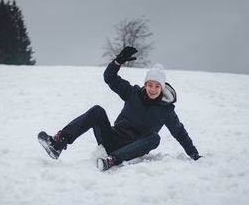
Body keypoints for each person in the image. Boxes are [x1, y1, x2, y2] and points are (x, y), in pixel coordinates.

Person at [38, 46, 202, 171]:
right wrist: (118, 62)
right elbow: (109, 78)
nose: (153, 89)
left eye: (157, 86)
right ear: (145, 84)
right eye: (150, 84)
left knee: (154, 138)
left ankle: (112, 161)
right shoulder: (133, 93)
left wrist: (193, 154)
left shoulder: (166, 110)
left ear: (162, 87)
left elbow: (179, 132)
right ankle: (58, 144)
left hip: (133, 149)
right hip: (113, 139)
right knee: (97, 111)